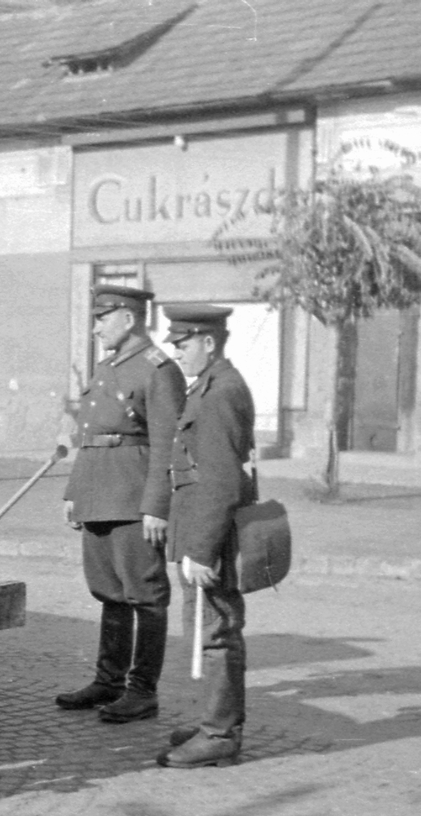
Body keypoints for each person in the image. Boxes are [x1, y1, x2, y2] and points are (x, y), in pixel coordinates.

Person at [58, 284, 186, 723]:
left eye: (101, 318)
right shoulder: (107, 366)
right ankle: (108, 680)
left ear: (128, 318)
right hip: (98, 491)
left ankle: (142, 690)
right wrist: (75, 491)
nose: (95, 329)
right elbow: (90, 434)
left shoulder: (158, 369)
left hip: (134, 498)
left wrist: (157, 504)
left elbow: (169, 443)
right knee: (109, 592)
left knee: (145, 595)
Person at [157, 304, 256, 768]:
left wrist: (200, 550)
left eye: (182, 343)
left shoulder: (220, 394)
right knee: (209, 634)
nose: (176, 352)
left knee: (216, 635)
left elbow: (222, 482)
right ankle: (213, 722)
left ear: (209, 342)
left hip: (210, 539)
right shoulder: (211, 387)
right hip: (199, 531)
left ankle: (219, 735)